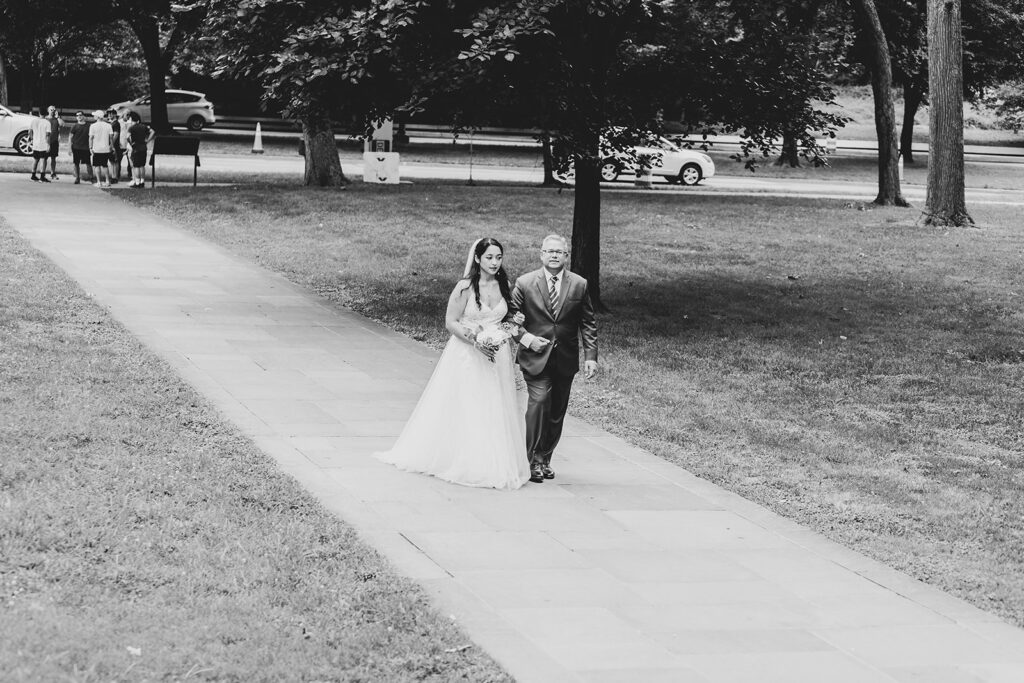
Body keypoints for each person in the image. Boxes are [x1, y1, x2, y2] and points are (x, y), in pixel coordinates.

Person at [376, 238, 531, 490]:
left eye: (498, 257)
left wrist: (513, 323)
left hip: (498, 354)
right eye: (489, 257)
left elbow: (506, 320)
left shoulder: (505, 285)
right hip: (467, 354)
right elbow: (451, 321)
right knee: (470, 403)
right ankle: (467, 460)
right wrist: (475, 340)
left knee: (496, 404)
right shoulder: (464, 287)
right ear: (478, 259)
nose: (494, 262)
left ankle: (495, 459)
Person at [510, 234, 598, 483]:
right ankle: (530, 460)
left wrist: (590, 356)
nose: (554, 255)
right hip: (535, 357)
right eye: (549, 251)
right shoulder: (525, 283)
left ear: (566, 256)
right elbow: (509, 320)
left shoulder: (579, 284)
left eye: (559, 252)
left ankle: (544, 458)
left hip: (565, 359)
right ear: (541, 254)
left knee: (557, 411)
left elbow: (587, 322)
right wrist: (527, 339)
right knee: (538, 404)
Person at [126, 111, 154, 188]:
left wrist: (131, 143)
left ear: (132, 120)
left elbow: (127, 137)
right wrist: (147, 140)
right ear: (138, 120)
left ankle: (137, 182)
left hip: (136, 148)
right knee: (142, 165)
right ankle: (142, 181)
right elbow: (152, 131)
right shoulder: (144, 126)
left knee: (136, 166)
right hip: (143, 147)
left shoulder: (131, 128)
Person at [88, 109, 113, 188]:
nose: (94, 116)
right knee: (105, 165)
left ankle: (99, 182)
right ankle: (107, 181)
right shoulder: (108, 125)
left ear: (98, 117)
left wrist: (90, 147)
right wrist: (111, 146)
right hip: (105, 148)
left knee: (97, 166)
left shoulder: (93, 126)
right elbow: (111, 137)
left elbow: (91, 138)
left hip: (96, 148)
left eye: (95, 115)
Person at [69, 111, 93, 184]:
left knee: (88, 164)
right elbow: (70, 138)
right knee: (76, 164)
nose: (79, 116)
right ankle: (77, 178)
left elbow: (92, 137)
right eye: (77, 115)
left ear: (83, 116)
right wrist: (69, 148)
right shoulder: (74, 126)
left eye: (80, 115)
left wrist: (91, 147)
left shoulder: (89, 126)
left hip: (86, 148)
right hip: (76, 148)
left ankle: (91, 177)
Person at [29, 110, 51, 182]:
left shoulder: (34, 121)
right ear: (46, 114)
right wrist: (48, 144)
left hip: (35, 143)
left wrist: (32, 139)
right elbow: (47, 135)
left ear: (39, 113)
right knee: (43, 160)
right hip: (43, 144)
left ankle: (33, 175)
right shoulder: (47, 123)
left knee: (35, 159)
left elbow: (30, 131)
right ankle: (42, 176)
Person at [44, 105, 63, 180]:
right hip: (46, 141)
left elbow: (62, 124)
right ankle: (43, 173)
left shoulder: (57, 119)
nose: (52, 111)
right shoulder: (45, 119)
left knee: (53, 158)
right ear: (48, 110)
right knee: (44, 158)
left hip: (54, 141)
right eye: (51, 110)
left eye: (54, 110)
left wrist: (58, 117)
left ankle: (53, 173)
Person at [106, 109, 124, 184]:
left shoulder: (116, 123)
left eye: (111, 113)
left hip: (114, 145)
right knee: (112, 162)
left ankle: (115, 177)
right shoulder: (111, 123)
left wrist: (111, 144)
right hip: (111, 144)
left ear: (115, 114)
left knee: (115, 161)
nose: (109, 115)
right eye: (108, 114)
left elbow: (116, 134)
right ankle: (113, 176)